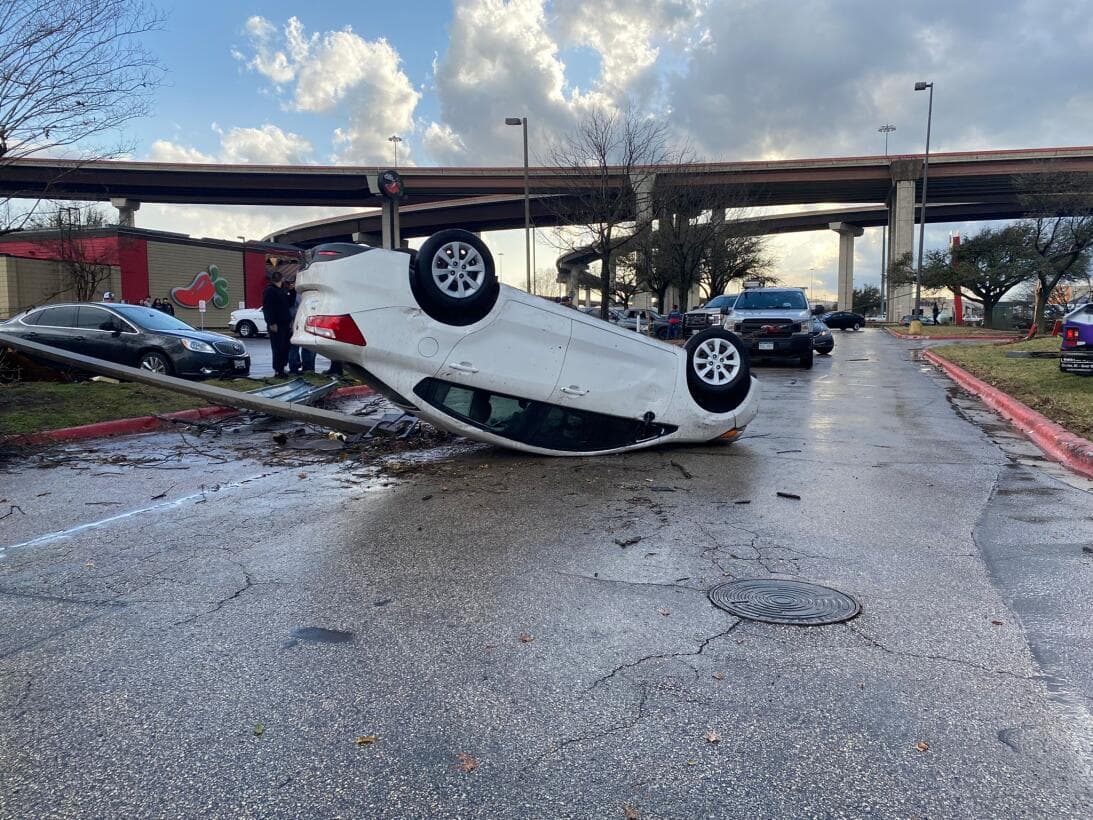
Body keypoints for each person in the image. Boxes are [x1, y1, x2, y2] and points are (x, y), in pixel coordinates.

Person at [262, 271, 292, 378]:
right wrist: (271, 323)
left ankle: (282, 367)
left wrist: (292, 291)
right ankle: (278, 370)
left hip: (285, 323)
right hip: (277, 324)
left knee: (285, 347)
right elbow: (268, 308)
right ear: (281, 279)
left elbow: (289, 303)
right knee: (278, 347)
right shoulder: (270, 290)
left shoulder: (282, 291)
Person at [284, 281, 316, 373]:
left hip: (296, 322)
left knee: (294, 347)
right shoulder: (309, 294)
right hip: (307, 322)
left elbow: (291, 310)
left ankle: (294, 368)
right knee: (307, 346)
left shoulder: (294, 294)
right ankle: (308, 368)